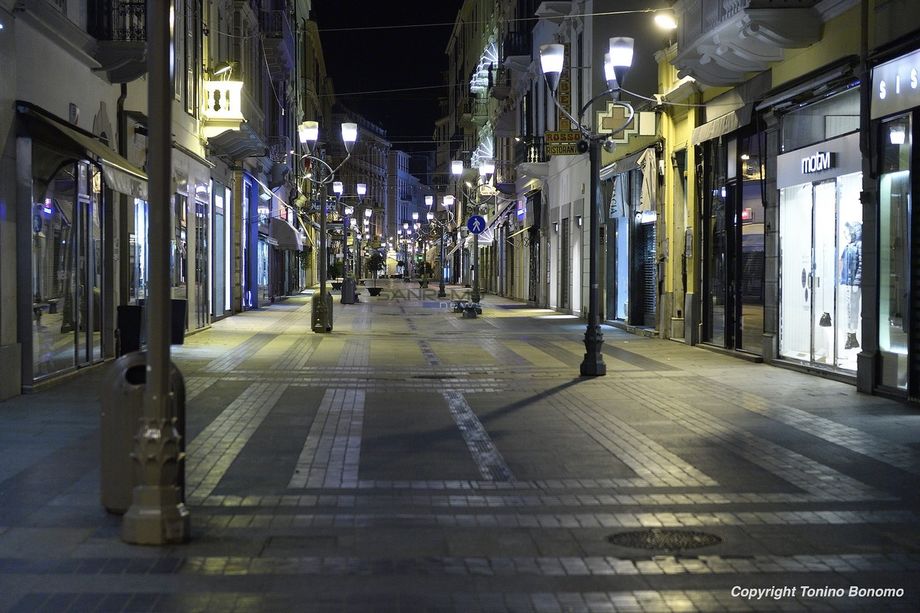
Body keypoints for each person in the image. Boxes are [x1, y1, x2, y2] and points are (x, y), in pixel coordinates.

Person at [839, 222, 862, 350]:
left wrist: (856, 282)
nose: (845, 234)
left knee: (853, 309)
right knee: (847, 309)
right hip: (847, 283)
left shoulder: (859, 246)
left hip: (854, 284)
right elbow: (842, 264)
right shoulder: (847, 247)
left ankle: (852, 335)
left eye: (846, 232)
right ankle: (850, 336)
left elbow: (862, 264)